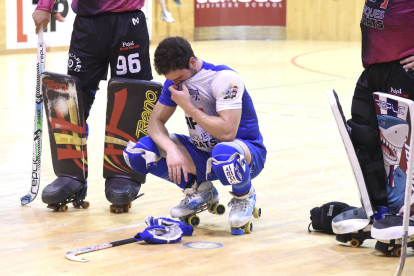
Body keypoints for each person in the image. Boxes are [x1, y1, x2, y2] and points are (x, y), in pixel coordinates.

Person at [124, 36, 267, 235]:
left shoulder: (224, 79)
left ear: (192, 62)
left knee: (223, 152)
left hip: (244, 154)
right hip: (203, 154)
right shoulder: (172, 83)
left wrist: (189, 107)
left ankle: (244, 195)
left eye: (179, 79)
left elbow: (227, 132)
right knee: (138, 152)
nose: (175, 84)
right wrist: (172, 150)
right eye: (171, 80)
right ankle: (200, 190)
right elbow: (154, 124)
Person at [32, 0, 153, 211]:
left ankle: (123, 171)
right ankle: (72, 175)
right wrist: (44, 5)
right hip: (87, 24)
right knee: (74, 101)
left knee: (131, 97)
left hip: (128, 20)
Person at [332, 0, 414, 253]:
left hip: (403, 70)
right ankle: (381, 208)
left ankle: (408, 210)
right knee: (364, 138)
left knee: (403, 146)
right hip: (373, 71)